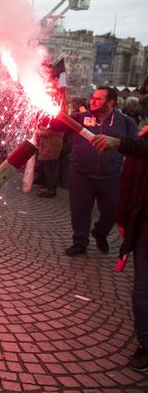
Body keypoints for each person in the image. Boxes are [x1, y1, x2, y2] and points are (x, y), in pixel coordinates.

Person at [51, 87, 138, 255]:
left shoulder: (126, 122)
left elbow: (135, 146)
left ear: (110, 102)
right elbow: (55, 124)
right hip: (80, 174)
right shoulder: (80, 117)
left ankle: (100, 232)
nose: (93, 101)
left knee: (111, 211)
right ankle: (80, 242)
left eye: (98, 99)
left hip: (111, 176)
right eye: (92, 97)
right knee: (80, 210)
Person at [91, 129, 148, 372]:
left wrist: (121, 142)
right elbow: (130, 179)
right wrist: (123, 217)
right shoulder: (143, 138)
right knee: (143, 286)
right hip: (144, 221)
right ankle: (145, 343)